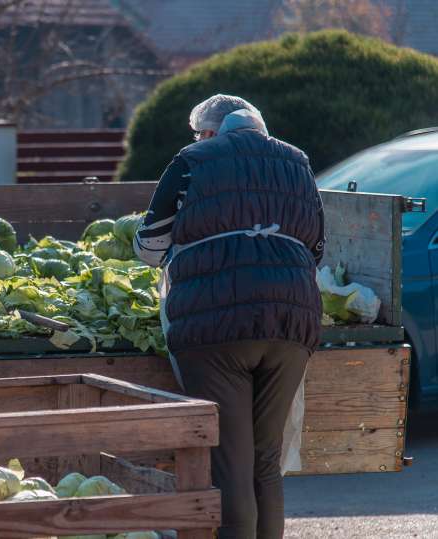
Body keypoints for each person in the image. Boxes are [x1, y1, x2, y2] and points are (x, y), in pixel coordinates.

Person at [133, 94, 325, 539]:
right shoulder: (297, 162)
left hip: (214, 326)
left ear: (212, 132)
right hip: (292, 322)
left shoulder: (191, 160)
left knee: (230, 462)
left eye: (201, 132)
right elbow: (316, 249)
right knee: (265, 460)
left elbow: (148, 248)